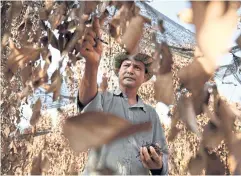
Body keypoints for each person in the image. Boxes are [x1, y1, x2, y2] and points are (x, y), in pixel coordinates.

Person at [77, 18, 168, 175]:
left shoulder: (151, 114)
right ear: (118, 72)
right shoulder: (103, 100)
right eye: (126, 65)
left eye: (137, 67)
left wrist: (159, 165)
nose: (130, 70)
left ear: (145, 77)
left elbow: (163, 156)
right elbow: (86, 104)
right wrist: (91, 65)